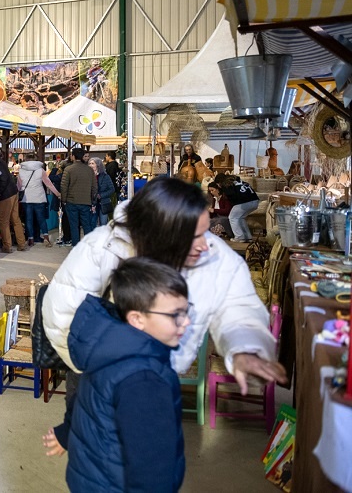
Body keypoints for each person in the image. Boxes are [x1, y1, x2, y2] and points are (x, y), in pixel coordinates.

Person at [42, 177, 284, 452]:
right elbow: (61, 315)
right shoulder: (103, 248)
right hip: (96, 375)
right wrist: (106, 368)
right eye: (194, 237)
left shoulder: (211, 255)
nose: (206, 244)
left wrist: (244, 346)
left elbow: (237, 304)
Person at [45, 258, 189, 493]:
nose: (186, 322)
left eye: (186, 310)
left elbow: (84, 398)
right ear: (137, 319)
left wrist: (67, 432)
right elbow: (151, 469)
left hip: (90, 478)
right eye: (176, 315)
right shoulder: (146, 381)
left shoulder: (107, 345)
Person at [18, 157, 60, 247]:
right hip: (39, 198)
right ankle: (46, 238)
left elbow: (19, 186)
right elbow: (48, 184)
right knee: (41, 219)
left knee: (28, 219)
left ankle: (30, 239)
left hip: (26, 198)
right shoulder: (41, 170)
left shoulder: (21, 171)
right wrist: (57, 194)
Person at [60, 148, 97, 246]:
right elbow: (94, 187)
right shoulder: (89, 170)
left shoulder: (68, 169)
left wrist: (63, 200)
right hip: (86, 202)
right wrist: (93, 201)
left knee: (74, 226)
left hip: (71, 202)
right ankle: (89, 247)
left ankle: (76, 248)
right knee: (86, 225)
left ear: (73, 156)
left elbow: (64, 186)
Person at [88, 157, 116, 226]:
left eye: (92, 163)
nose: (91, 165)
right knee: (92, 223)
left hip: (103, 203)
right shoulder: (87, 176)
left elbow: (112, 189)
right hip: (91, 203)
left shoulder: (105, 176)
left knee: (103, 223)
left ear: (98, 165)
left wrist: (101, 195)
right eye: (90, 163)